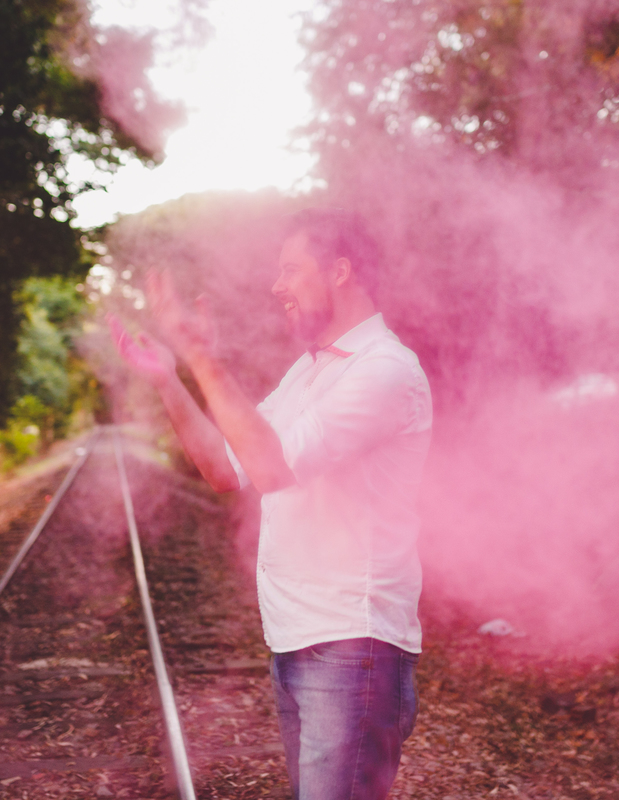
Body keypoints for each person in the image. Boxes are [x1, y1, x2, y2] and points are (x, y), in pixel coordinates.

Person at [112, 208, 433, 800]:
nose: (276, 286)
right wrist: (168, 379)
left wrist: (204, 357)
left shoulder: (385, 371)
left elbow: (270, 468)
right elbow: (224, 468)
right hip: (296, 642)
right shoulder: (307, 374)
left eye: (290, 270)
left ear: (340, 272)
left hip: (352, 648)